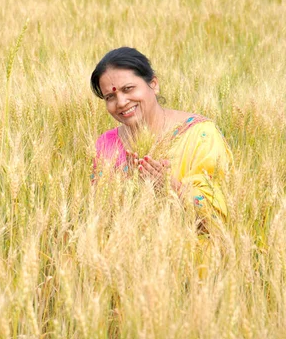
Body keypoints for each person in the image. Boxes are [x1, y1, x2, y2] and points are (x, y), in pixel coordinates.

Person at [90, 47, 232, 221]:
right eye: (110, 97)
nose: (121, 102)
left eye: (128, 89)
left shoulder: (201, 134)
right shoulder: (106, 143)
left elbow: (219, 215)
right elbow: (98, 215)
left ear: (154, 84)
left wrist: (171, 188)